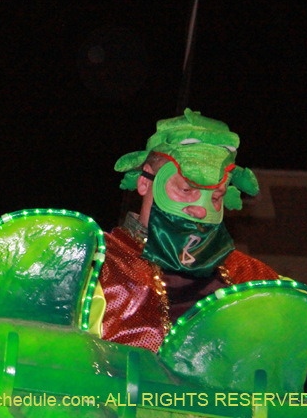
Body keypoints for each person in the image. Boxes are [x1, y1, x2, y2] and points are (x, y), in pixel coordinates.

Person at [98, 109, 279, 352]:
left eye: (216, 197)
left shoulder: (253, 278)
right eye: (186, 190)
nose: (201, 210)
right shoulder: (97, 263)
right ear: (144, 182)